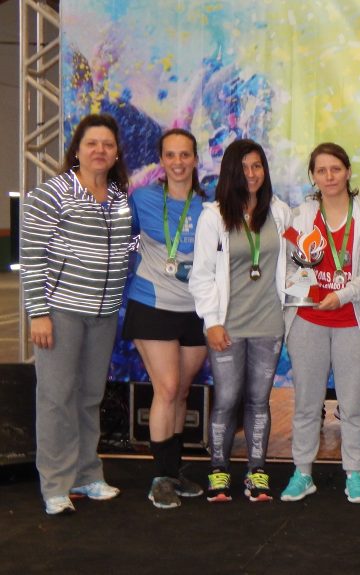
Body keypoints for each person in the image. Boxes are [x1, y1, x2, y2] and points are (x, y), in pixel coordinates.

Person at [21, 113, 134, 515]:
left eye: (107, 144)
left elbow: (129, 246)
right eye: (92, 143)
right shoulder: (52, 193)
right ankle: (55, 484)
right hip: (61, 314)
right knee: (56, 398)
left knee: (89, 398)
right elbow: (31, 257)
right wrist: (38, 313)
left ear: (116, 153)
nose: (100, 150)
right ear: (77, 150)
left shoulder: (119, 199)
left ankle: (87, 474)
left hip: (104, 316)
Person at [279, 143, 360, 504]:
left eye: (336, 169)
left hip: (352, 319)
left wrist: (341, 295)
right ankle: (302, 472)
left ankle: (355, 473)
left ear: (348, 172)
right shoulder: (300, 218)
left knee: (353, 403)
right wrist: (302, 288)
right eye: (321, 170)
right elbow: (288, 263)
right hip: (307, 320)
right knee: (307, 403)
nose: (329, 177)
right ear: (313, 176)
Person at [189, 138, 291, 503]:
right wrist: (212, 322)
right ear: (231, 171)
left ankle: (257, 471)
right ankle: (219, 469)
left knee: (259, 400)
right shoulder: (213, 217)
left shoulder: (280, 212)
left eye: (257, 166)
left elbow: (294, 262)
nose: (251, 174)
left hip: (269, 324)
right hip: (227, 327)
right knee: (227, 399)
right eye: (244, 167)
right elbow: (201, 276)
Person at [124, 128, 210, 509]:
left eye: (185, 155)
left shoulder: (208, 207)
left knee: (183, 392)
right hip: (152, 304)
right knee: (169, 388)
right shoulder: (142, 199)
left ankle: (173, 473)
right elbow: (117, 238)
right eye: (171, 155)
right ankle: (159, 476)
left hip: (196, 310)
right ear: (161, 160)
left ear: (195, 159)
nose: (178, 162)